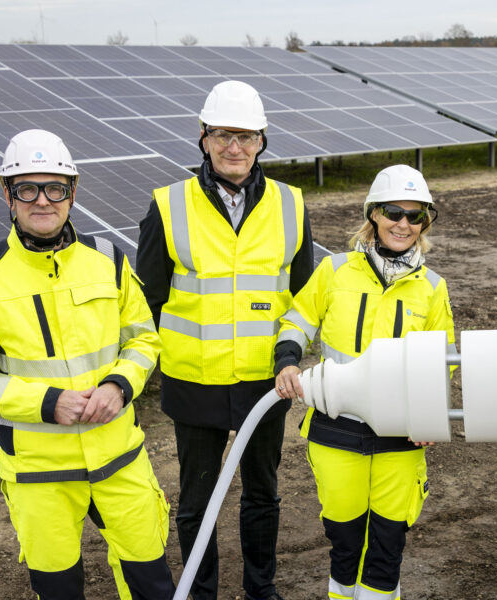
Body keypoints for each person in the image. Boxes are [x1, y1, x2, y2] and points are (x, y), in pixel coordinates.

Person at [0, 129, 174, 599]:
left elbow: (144, 340)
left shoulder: (108, 258)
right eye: (28, 188)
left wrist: (118, 387)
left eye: (55, 188)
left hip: (119, 459)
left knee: (151, 583)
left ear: (73, 192)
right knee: (59, 590)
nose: (42, 201)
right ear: (7, 194)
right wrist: (48, 404)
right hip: (38, 475)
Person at [136, 80, 314, 600]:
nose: (233, 147)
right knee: (197, 500)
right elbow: (145, 301)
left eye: (245, 136)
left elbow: (303, 299)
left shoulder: (291, 204)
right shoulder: (168, 206)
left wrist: (291, 357)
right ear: (203, 138)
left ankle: (261, 589)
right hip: (195, 379)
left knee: (263, 494)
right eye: (221, 136)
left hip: (266, 380)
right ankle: (201, 592)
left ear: (262, 140)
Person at [272, 164, 454, 600]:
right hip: (337, 430)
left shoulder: (432, 287)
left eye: (416, 216)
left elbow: (442, 362)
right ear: (373, 213)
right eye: (394, 212)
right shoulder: (334, 271)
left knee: (388, 544)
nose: (403, 224)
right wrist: (287, 360)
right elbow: (297, 320)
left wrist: (428, 415)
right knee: (345, 540)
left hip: (399, 436)